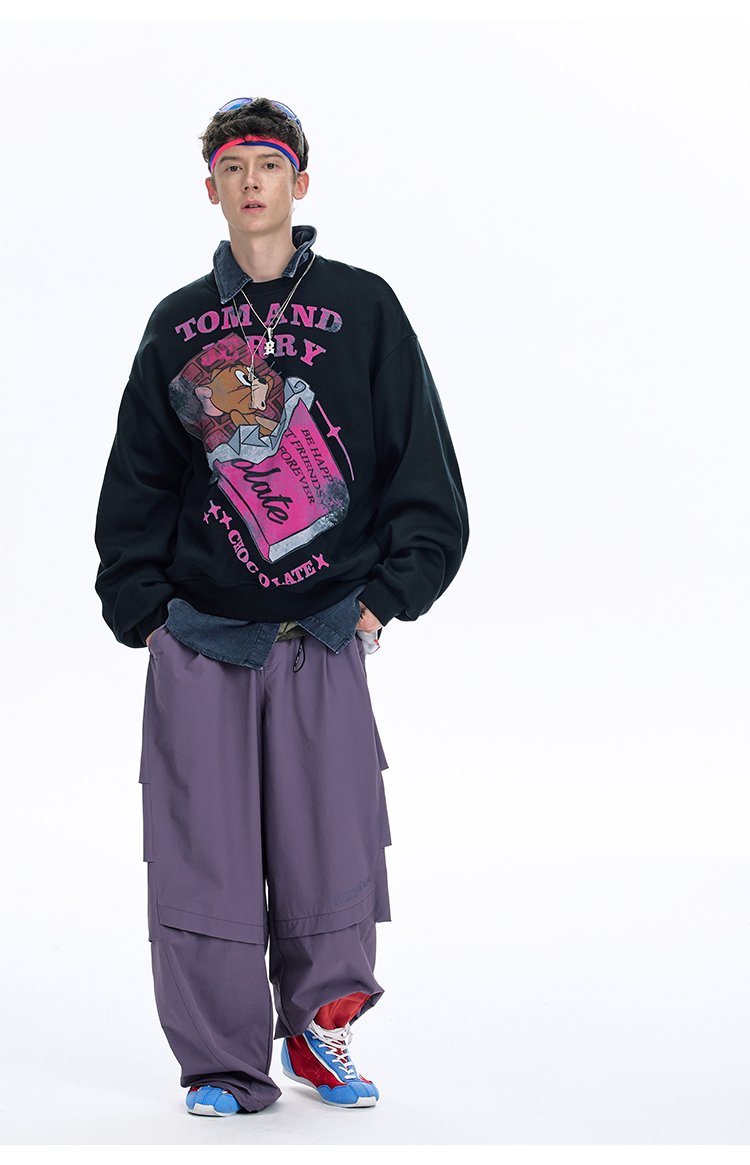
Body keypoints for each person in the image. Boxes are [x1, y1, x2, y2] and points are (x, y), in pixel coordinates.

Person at [95, 96, 468, 1117]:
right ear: (211, 189)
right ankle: (222, 1064)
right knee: (201, 857)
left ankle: (318, 1034)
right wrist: (148, 614)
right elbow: (137, 481)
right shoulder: (177, 323)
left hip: (324, 633)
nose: (250, 181)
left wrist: (384, 599)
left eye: (267, 164)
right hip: (203, 640)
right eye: (232, 167)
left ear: (299, 183)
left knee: (331, 849)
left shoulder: (364, 306)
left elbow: (422, 467)